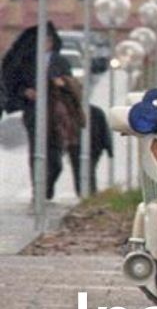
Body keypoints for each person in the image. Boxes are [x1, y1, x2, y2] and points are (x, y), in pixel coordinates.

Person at [2, 23, 75, 199]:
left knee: (55, 154)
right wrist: (26, 92)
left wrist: (59, 85)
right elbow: (15, 84)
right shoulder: (27, 63)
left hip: (55, 113)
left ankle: (48, 184)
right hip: (33, 111)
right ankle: (38, 189)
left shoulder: (60, 62)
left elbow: (71, 86)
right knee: (36, 150)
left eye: (47, 40)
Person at [69, 105, 112, 196]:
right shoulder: (72, 112)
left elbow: (105, 131)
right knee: (78, 171)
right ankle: (82, 194)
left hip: (94, 148)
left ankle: (91, 193)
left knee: (89, 170)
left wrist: (109, 149)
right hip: (75, 148)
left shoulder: (96, 112)